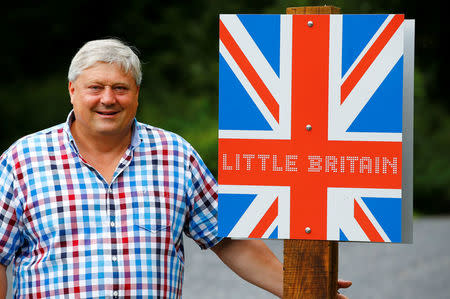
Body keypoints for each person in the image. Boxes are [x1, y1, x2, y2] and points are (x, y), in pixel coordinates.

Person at [0, 39, 351, 298]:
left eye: (120, 88)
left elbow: (229, 241)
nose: (108, 98)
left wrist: (304, 288)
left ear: (137, 94)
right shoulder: (21, 161)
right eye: (96, 87)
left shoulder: (175, 155)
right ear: (72, 91)